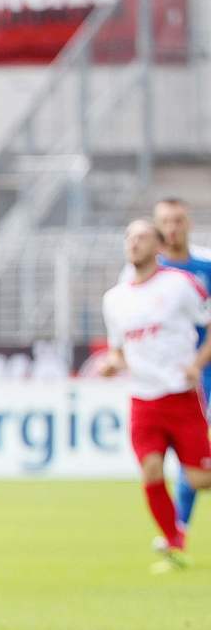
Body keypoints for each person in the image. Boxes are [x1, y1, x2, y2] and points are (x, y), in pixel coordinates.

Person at [99, 219, 211, 574]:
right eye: (129, 237)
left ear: (158, 247)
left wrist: (197, 363)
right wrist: (113, 363)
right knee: (150, 469)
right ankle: (174, 543)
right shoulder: (115, 299)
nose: (133, 243)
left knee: (197, 479)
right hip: (143, 400)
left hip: (179, 396)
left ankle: (174, 538)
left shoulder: (180, 285)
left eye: (142, 237)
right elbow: (118, 349)